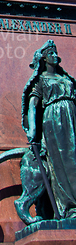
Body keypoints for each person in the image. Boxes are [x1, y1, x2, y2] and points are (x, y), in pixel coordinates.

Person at [22, 40, 76, 219]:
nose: (55, 56)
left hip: (72, 117)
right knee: (63, 162)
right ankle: (70, 207)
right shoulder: (41, 80)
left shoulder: (66, 79)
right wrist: (32, 129)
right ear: (44, 59)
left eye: (55, 53)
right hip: (54, 120)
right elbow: (33, 105)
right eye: (51, 53)